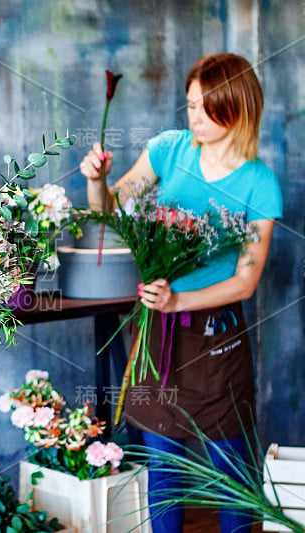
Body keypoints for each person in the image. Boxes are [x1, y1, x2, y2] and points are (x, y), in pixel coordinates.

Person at [80, 53, 282, 533]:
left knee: (232, 475)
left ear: (238, 108)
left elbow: (245, 281)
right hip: (157, 336)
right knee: (164, 470)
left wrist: (180, 300)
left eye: (206, 108)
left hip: (218, 342)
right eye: (190, 105)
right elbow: (109, 214)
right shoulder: (168, 151)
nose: (194, 117)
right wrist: (96, 181)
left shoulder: (260, 183)